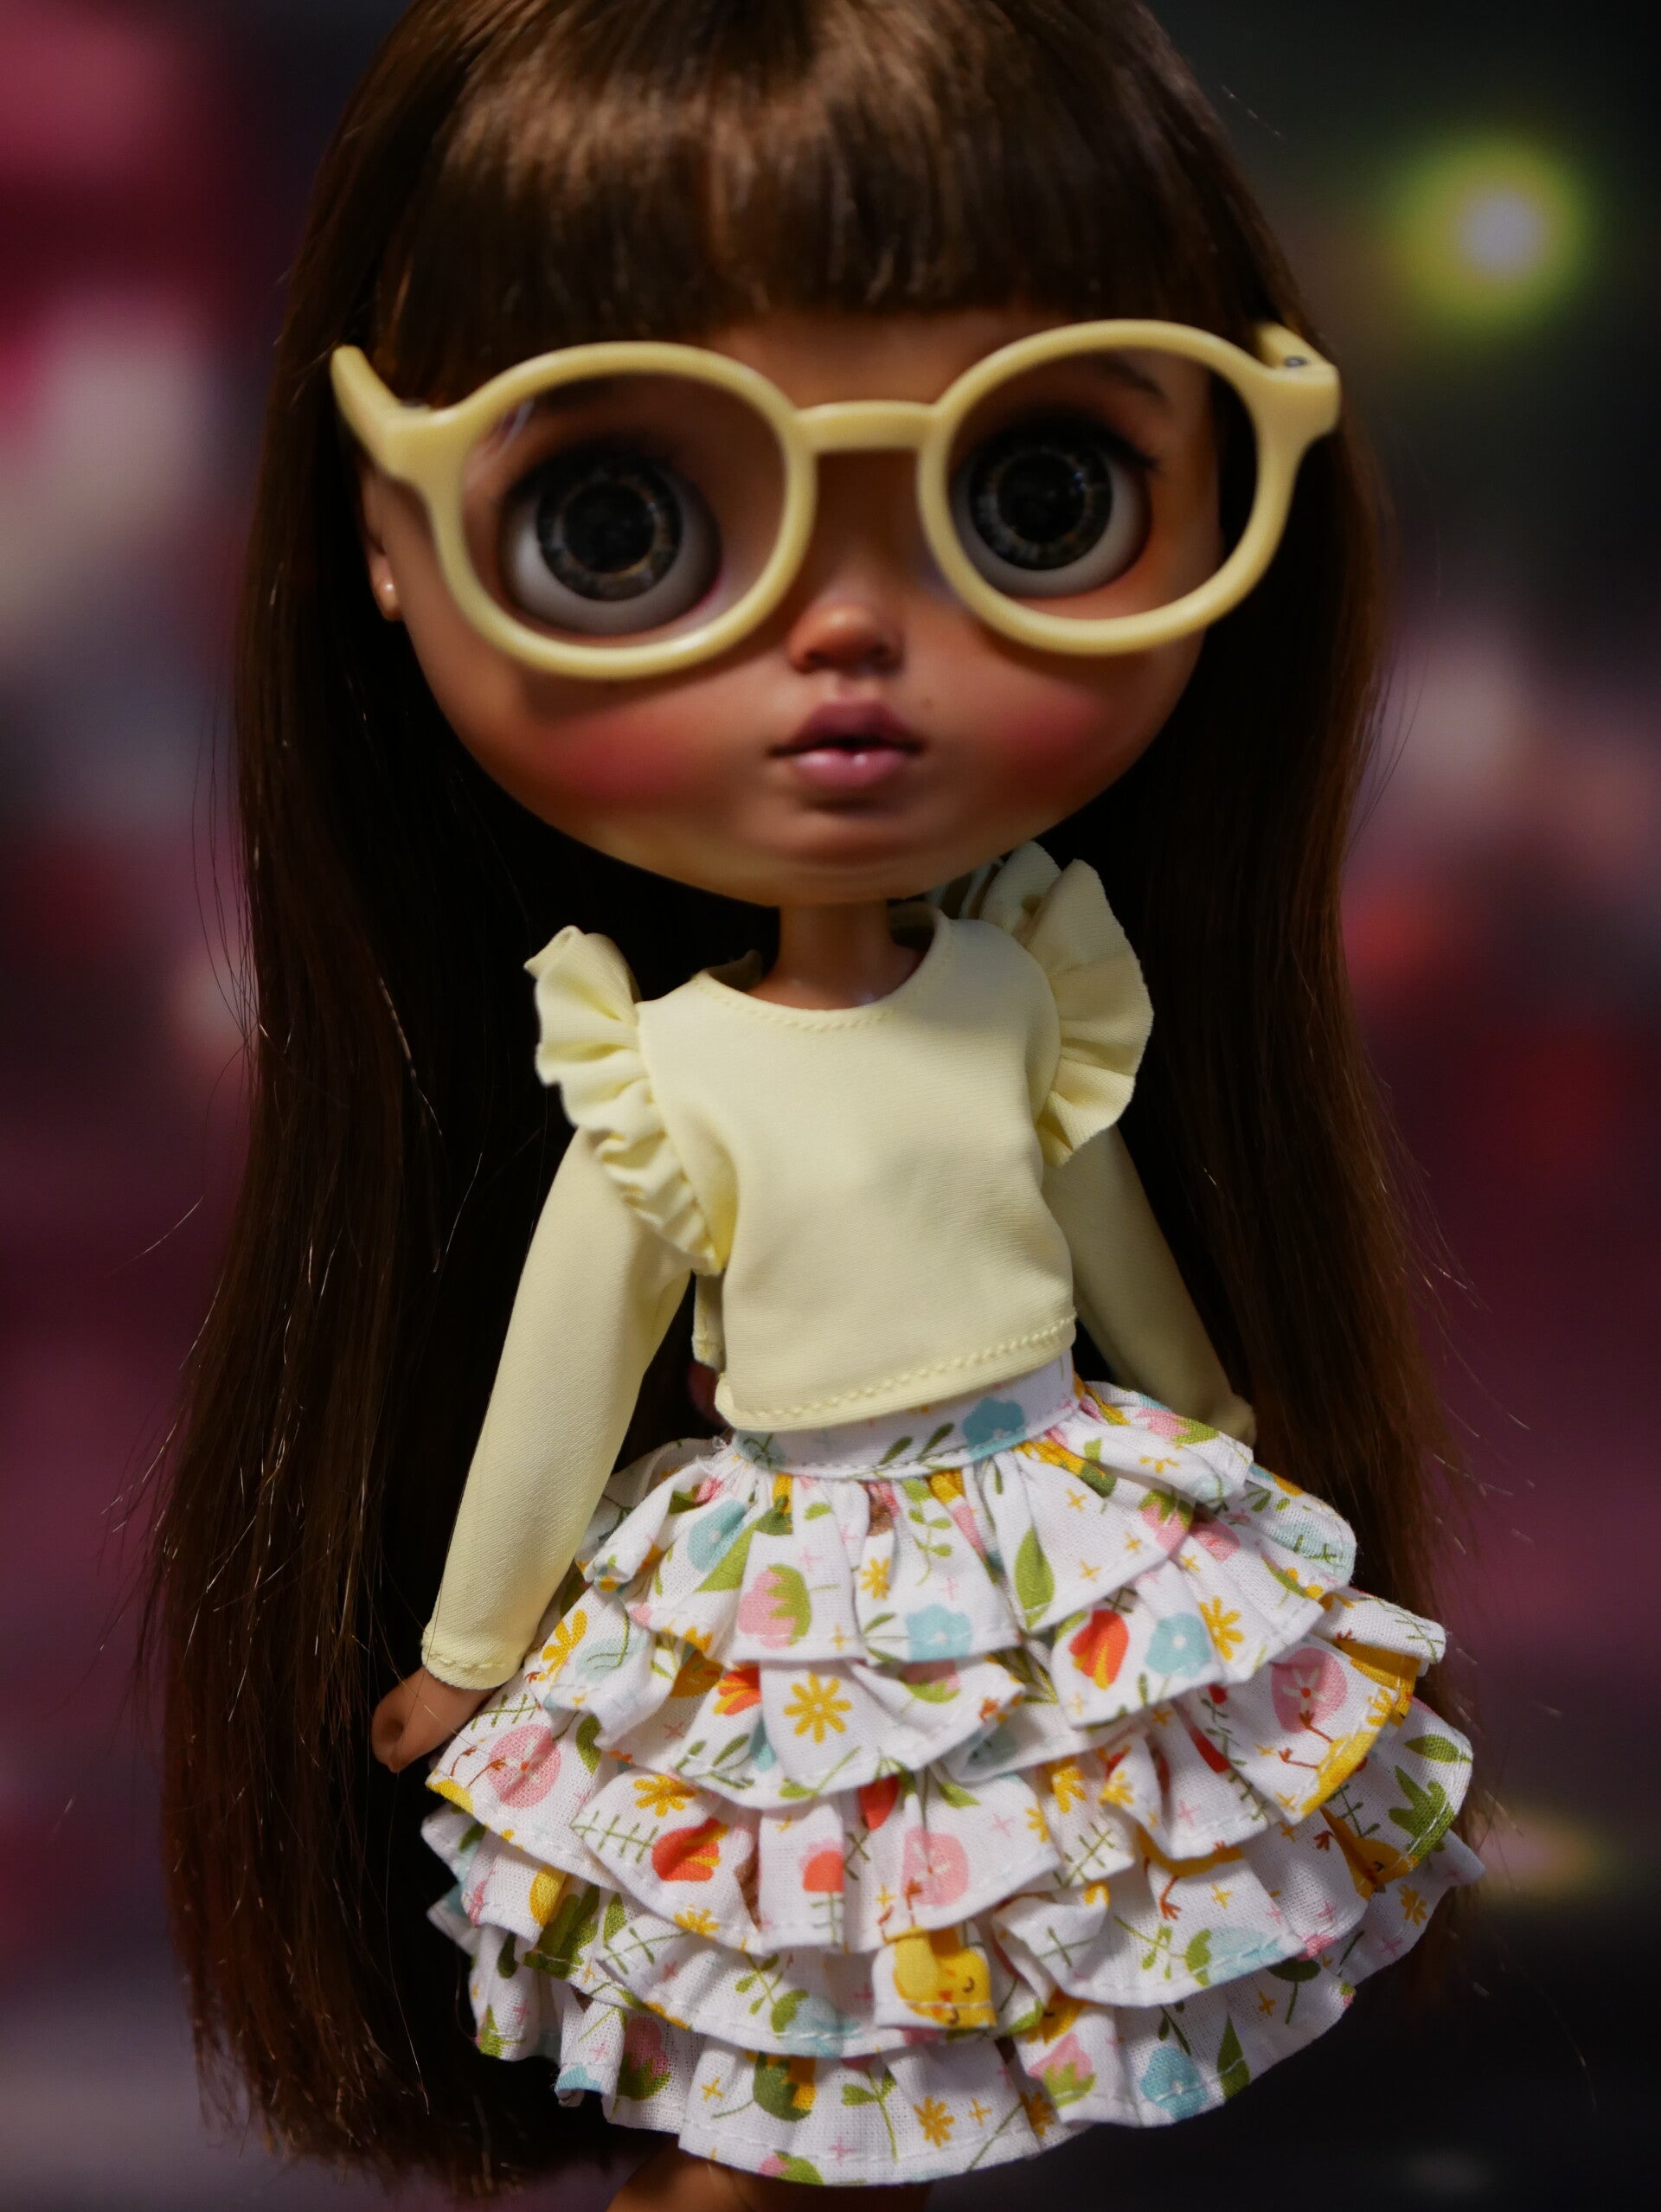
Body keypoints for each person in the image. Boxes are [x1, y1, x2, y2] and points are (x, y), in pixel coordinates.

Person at [148, 3, 1478, 2203]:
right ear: (384, 528)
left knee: (1014, 1926)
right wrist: (472, 1652)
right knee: (795, 1942)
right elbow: (566, 1370)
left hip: (1047, 1516)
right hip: (796, 1554)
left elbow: (1101, 1217)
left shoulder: (1023, 984)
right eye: (620, 517)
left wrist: (1215, 1422)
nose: (848, 636)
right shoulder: (660, 1068)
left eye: (1038, 496)